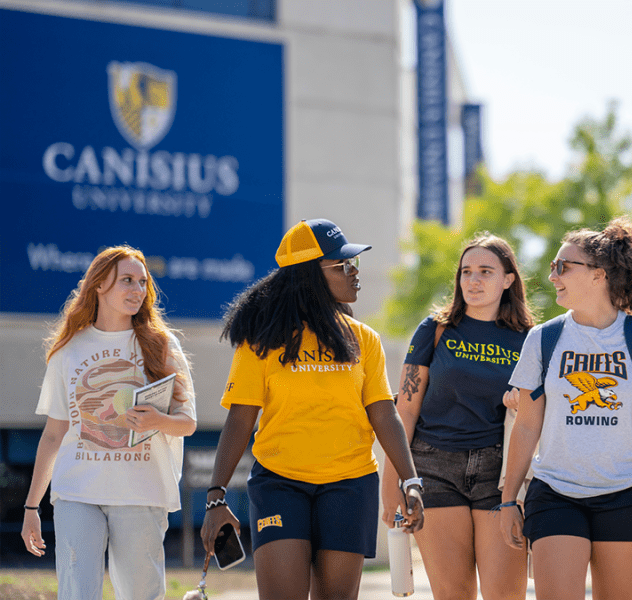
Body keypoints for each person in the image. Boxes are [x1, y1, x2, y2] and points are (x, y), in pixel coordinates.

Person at [200, 219, 424, 600]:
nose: (354, 272)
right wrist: (216, 496)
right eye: (342, 265)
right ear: (308, 275)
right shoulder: (261, 340)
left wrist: (411, 481)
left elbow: (385, 414)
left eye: (353, 264)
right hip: (279, 484)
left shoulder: (364, 340)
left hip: (350, 485)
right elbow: (240, 420)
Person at [500, 218, 632, 600]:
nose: (553, 276)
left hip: (628, 492)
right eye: (553, 266)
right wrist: (508, 499)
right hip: (555, 492)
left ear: (598, 274)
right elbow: (526, 426)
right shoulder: (543, 339)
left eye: (563, 266)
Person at [20, 245, 197, 600]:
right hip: (77, 491)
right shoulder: (68, 349)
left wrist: (158, 420)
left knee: (141, 595)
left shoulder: (162, 345)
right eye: (127, 280)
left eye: (143, 282)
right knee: (77, 593)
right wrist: (31, 507)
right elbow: (54, 435)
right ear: (99, 285)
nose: (137, 290)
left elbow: (188, 422)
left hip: (141, 492)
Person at [380, 233, 535, 600]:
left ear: (508, 279)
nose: (473, 280)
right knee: (453, 593)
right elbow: (406, 408)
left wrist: (522, 403)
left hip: (499, 473)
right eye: (466, 272)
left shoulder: (530, 339)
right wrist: (391, 483)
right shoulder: (434, 330)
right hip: (434, 467)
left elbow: (541, 411)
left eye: (485, 271)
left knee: (505, 594)